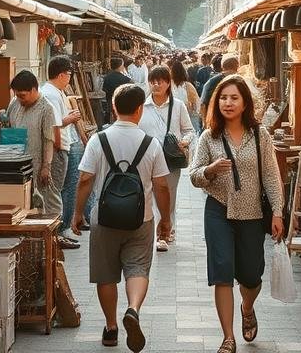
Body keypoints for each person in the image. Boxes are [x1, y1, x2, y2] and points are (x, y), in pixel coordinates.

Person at [189, 75, 285, 353]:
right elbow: (194, 176)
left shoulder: (260, 135)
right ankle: (228, 338)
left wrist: (277, 212)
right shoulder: (209, 136)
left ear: (245, 104)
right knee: (222, 273)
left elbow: (271, 175)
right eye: (222, 98)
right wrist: (210, 170)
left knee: (252, 275)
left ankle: (247, 306)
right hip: (218, 211)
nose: (227, 103)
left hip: (252, 214)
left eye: (233, 98)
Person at [72, 84, 172, 352]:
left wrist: (77, 213)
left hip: (104, 219)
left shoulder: (98, 139)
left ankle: (111, 327)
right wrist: (166, 219)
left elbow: (84, 179)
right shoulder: (151, 144)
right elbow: (161, 185)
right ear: (140, 109)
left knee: (106, 275)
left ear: (114, 107)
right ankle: (133, 308)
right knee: (137, 268)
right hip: (142, 219)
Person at [140, 65, 195, 252]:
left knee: (169, 196)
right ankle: (157, 232)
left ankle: (166, 232)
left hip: (170, 158)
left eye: (160, 81)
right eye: (153, 81)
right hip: (147, 159)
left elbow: (189, 131)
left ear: (168, 83)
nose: (156, 85)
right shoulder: (142, 107)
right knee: (150, 196)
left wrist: (184, 143)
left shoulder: (178, 106)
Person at [0, 71, 58, 218]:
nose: (19, 99)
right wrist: (0, 125)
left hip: (36, 164)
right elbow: (8, 124)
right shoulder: (15, 103)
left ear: (33, 89)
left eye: (22, 96)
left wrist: (46, 166)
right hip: (15, 162)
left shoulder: (46, 108)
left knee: (41, 201)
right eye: (17, 95)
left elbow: (48, 139)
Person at [42, 56, 84, 250]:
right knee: (57, 192)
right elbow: (55, 124)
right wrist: (72, 118)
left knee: (62, 189)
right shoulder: (50, 94)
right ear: (61, 74)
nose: (70, 77)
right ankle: (59, 233)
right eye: (69, 74)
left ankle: (61, 232)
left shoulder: (56, 91)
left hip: (62, 146)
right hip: (59, 148)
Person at [170, 59, 203, 134]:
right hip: (188, 118)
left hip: (173, 117)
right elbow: (196, 105)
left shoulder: (169, 86)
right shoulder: (188, 86)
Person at [101, 57, 134, 122]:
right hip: (123, 104)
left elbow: (104, 89)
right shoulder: (127, 79)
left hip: (111, 103)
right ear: (120, 66)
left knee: (114, 119)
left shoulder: (107, 78)